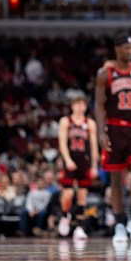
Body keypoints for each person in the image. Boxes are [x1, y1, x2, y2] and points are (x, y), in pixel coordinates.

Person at [95, 35, 131, 243]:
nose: (130, 51)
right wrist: (101, 132)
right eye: (126, 48)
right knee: (116, 179)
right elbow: (99, 106)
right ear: (117, 48)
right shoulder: (106, 74)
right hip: (115, 129)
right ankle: (119, 222)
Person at [57, 94, 99, 240]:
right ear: (72, 106)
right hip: (71, 160)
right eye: (77, 104)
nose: (80, 107)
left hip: (84, 161)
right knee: (68, 194)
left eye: (82, 104)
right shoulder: (65, 121)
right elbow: (62, 143)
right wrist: (67, 160)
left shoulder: (90, 123)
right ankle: (64, 216)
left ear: (86, 106)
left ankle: (80, 227)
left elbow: (94, 146)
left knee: (82, 196)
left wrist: (94, 165)